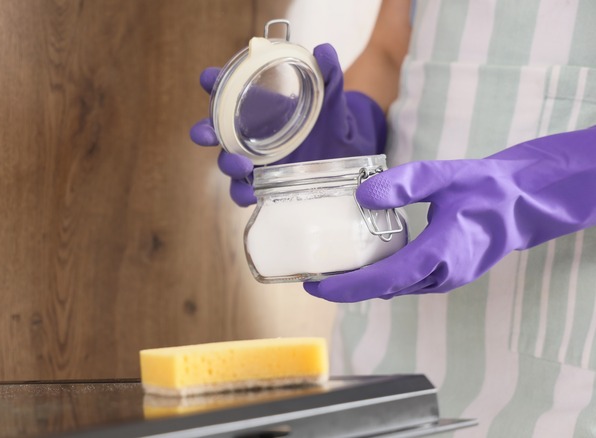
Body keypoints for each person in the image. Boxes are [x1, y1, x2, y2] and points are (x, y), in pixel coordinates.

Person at [190, 0, 596, 436]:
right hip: (383, 339)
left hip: (558, 364)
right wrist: (350, 131)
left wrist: (539, 184)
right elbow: (390, 47)